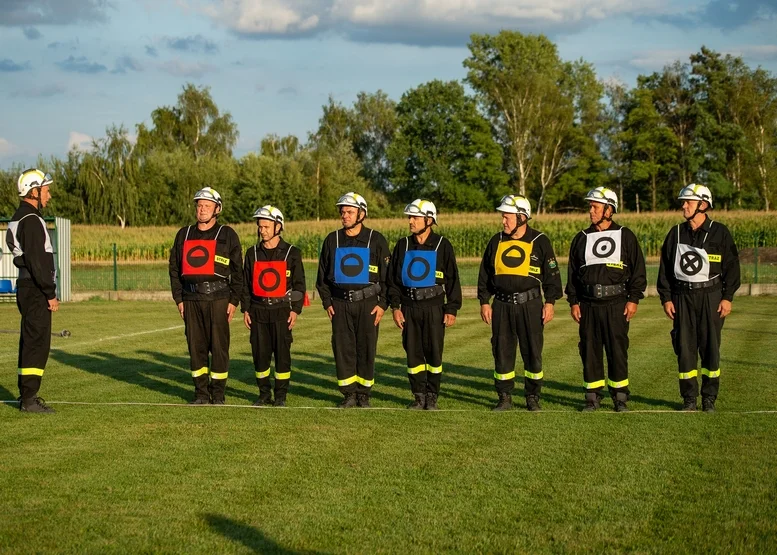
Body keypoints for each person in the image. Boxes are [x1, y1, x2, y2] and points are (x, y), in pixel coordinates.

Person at [657, 184, 740, 412]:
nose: (683, 206)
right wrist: (666, 298)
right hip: (682, 297)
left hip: (710, 297)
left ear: (702, 205)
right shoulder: (675, 233)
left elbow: (732, 267)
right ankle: (689, 399)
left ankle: (709, 398)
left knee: (710, 348)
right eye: (683, 202)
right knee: (685, 349)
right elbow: (665, 270)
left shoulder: (720, 232)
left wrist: (727, 297)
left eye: (688, 202)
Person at [565, 187, 647, 412]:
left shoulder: (626, 236)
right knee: (589, 350)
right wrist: (573, 301)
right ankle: (592, 398)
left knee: (617, 350)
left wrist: (633, 299)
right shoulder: (581, 238)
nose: (591, 211)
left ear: (609, 209)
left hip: (617, 304)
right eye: (590, 206)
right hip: (588, 305)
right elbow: (572, 274)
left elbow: (638, 271)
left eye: (595, 206)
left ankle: (620, 398)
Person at [478, 194, 562, 411]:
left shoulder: (540, 241)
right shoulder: (496, 241)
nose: (503, 221)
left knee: (533, 351)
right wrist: (484, 302)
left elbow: (552, 275)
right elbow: (485, 274)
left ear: (522, 218)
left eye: (507, 217)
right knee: (502, 350)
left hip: (531, 305)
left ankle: (532, 397)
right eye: (502, 217)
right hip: (502, 306)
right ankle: (504, 396)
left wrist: (550, 302)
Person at [169, 187, 243, 405]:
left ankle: (218, 394)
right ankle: (201, 393)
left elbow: (238, 271)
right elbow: (174, 268)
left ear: (217, 209)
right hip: (191, 300)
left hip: (219, 298)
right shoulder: (183, 234)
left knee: (219, 348)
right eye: (199, 205)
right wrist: (179, 299)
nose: (202, 209)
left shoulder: (227, 235)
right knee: (196, 347)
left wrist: (234, 300)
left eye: (207, 206)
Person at [316, 192, 390, 408]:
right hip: (340, 304)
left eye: (349, 211)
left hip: (368, 304)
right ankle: (348, 394)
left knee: (366, 348)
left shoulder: (376, 240)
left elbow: (388, 277)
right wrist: (327, 302)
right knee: (343, 348)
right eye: (342, 212)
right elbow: (322, 277)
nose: (344, 216)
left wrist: (383, 304)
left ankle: (364, 394)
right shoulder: (332, 240)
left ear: (362, 214)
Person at [387, 199, 462, 410]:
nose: (410, 221)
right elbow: (392, 281)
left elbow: (453, 280)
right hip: (409, 308)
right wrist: (395, 307)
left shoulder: (442, 245)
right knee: (413, 354)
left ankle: (432, 396)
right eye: (409, 217)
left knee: (434, 354)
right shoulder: (402, 245)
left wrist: (452, 308)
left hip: (434, 308)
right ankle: (418, 396)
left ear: (429, 220)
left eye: (415, 217)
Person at [6, 169, 58, 413]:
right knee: (37, 343)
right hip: (35, 290)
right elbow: (38, 262)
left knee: (30, 341)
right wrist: (50, 292)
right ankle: (29, 398)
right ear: (34, 191)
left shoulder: (20, 218)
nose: (48, 195)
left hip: (27, 287)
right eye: (45, 190)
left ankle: (27, 395)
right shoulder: (31, 220)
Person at [242, 205, 305, 407]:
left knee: (282, 356)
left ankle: (280, 396)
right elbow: (245, 285)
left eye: (267, 227)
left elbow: (299, 285)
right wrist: (246, 309)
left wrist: (295, 310)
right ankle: (263, 394)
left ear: (278, 227)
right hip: (258, 312)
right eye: (260, 227)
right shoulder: (252, 253)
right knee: (260, 356)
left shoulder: (292, 253)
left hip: (281, 312)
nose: (262, 230)